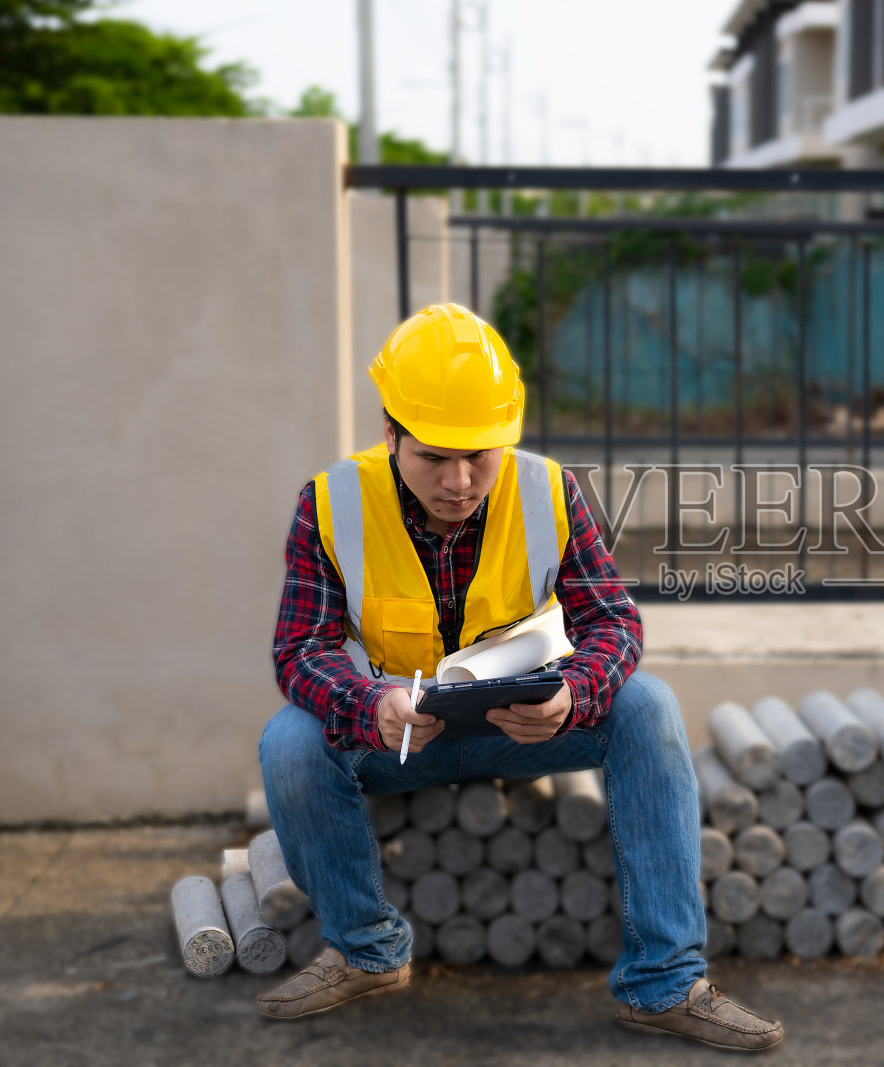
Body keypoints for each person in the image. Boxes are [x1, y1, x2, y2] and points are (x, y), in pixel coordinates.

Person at [256, 302, 782, 1052]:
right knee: (289, 741)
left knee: (647, 703)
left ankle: (664, 982)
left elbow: (614, 623)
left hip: (525, 731)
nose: (460, 480)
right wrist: (370, 703)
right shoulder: (332, 503)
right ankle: (368, 950)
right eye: (434, 456)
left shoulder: (549, 490)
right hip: (396, 736)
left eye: (481, 455)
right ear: (391, 432)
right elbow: (299, 649)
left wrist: (575, 694)